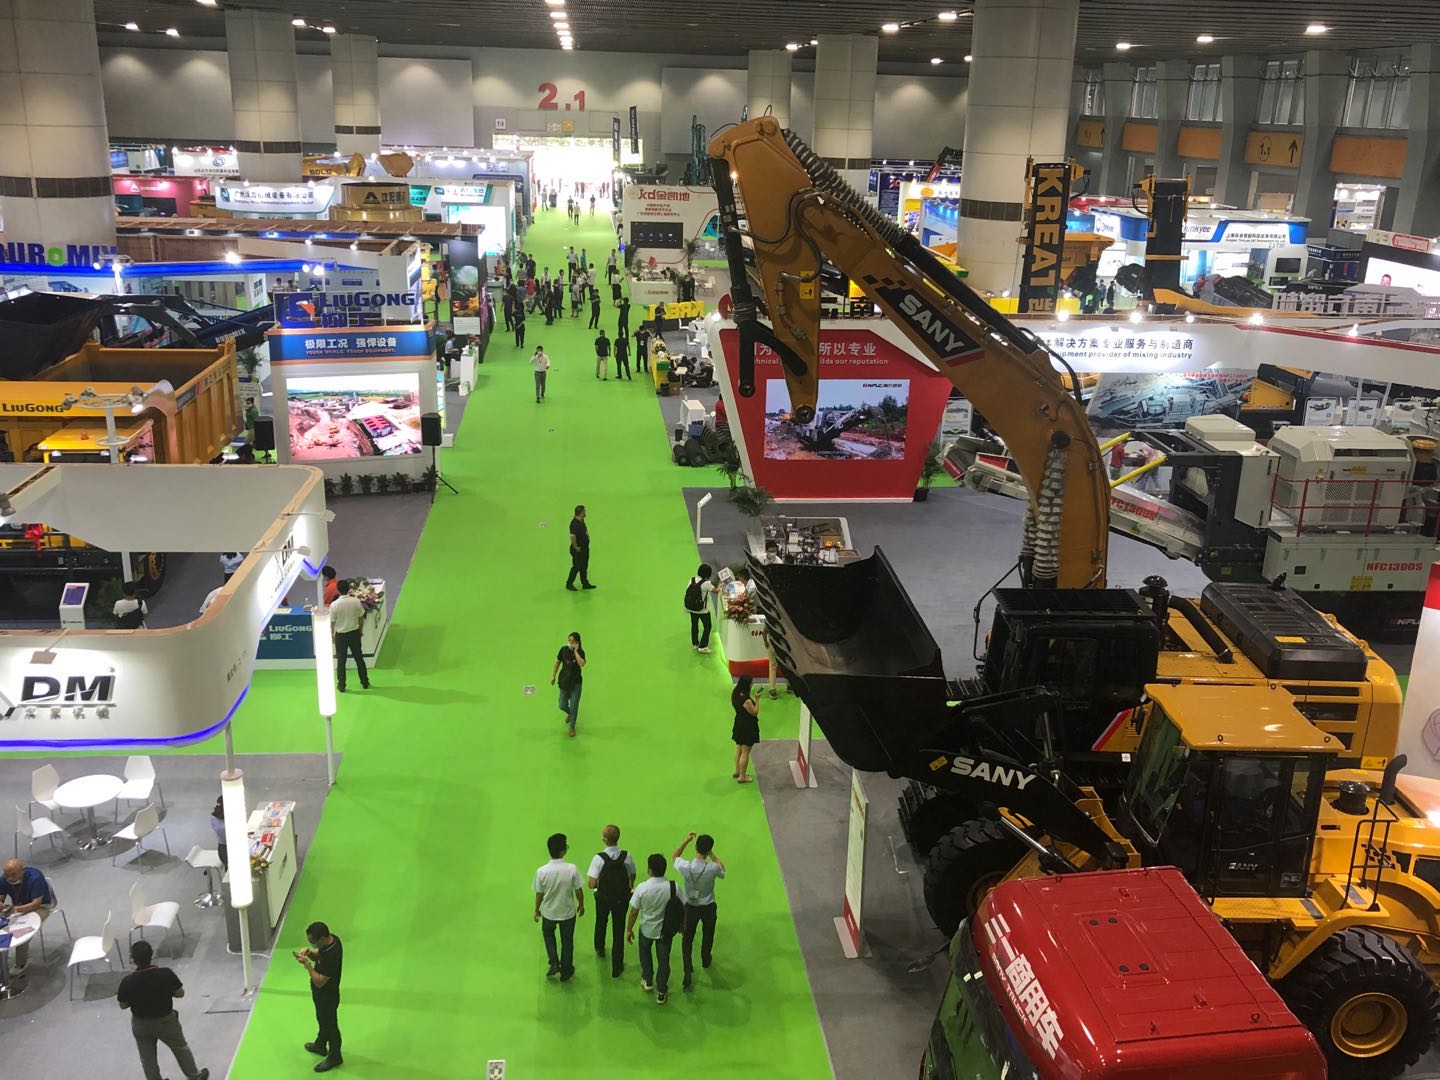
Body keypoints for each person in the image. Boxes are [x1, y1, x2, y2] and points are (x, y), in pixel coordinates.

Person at [117, 940, 210, 1080]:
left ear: (133, 959)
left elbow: (123, 1005)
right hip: (165, 1021)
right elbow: (180, 993)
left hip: (140, 1024)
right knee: (180, 1048)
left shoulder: (127, 981)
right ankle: (194, 1076)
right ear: (151, 955)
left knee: (147, 1057)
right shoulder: (165, 974)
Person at [626, 853, 683, 1004]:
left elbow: (634, 912)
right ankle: (662, 991)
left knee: (645, 954)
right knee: (664, 961)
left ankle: (647, 979)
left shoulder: (642, 888)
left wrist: (629, 929)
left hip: (646, 929)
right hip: (666, 932)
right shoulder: (674, 887)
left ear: (649, 870)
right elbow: (683, 907)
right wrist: (682, 926)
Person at [673, 832, 726, 990]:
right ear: (709, 850)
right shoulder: (713, 868)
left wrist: (686, 840)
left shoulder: (686, 866)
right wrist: (712, 854)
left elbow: (675, 856)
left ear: (696, 847)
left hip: (690, 906)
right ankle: (705, 959)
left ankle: (687, 970)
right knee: (708, 934)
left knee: (687, 939)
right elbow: (722, 869)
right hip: (708, 906)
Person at [587, 825, 636, 978]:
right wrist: (629, 885)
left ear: (604, 840)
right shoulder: (627, 856)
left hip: (603, 899)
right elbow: (632, 874)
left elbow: (591, 884)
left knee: (601, 921)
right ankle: (617, 966)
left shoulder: (598, 858)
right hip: (621, 899)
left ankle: (599, 947)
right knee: (619, 930)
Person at [533, 833, 584, 981]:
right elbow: (578, 890)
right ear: (563, 852)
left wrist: (536, 909)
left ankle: (554, 962)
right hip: (567, 913)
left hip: (549, 913)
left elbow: (539, 893)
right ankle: (566, 970)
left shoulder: (541, 871)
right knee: (567, 941)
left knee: (548, 935)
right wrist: (581, 904)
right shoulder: (572, 869)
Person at [296, 920, 344, 1072]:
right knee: (322, 1019)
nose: (313, 945)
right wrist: (310, 953)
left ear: (322, 938)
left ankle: (335, 1056)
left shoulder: (333, 955)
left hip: (328, 995)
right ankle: (320, 1044)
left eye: (313, 943)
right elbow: (319, 956)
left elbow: (319, 981)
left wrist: (307, 964)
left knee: (330, 1025)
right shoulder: (331, 940)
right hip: (321, 995)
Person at [0, 858, 54, 977]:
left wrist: (15, 910)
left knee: (20, 932)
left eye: (13, 874)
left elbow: (36, 904)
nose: (10, 878)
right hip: (18, 907)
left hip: (41, 907)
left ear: (22, 871)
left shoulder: (35, 878)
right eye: (7, 875)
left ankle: (21, 963)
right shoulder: (4, 879)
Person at [331, 579, 369, 692]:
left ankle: (342, 685)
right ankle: (365, 682)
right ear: (349, 588)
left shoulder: (334, 605)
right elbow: (361, 617)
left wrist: (332, 636)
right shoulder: (356, 601)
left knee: (341, 661)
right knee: (359, 659)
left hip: (341, 636)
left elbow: (332, 622)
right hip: (354, 633)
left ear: (338, 590)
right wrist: (360, 630)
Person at [551, 631, 586, 736]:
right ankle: (570, 714)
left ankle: (572, 727)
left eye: (573, 641)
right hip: (564, 682)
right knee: (562, 704)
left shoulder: (581, 652)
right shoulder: (563, 650)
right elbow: (557, 662)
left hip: (576, 684)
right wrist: (553, 675)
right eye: (569, 640)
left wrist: (576, 652)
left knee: (574, 706)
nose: (570, 643)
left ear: (578, 642)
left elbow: (582, 663)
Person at [731, 675, 760, 782]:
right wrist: (757, 700)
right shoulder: (746, 701)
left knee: (738, 748)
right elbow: (754, 712)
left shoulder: (735, 694)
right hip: (747, 726)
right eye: (751, 683)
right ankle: (742, 776)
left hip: (739, 723)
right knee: (745, 751)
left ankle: (737, 771)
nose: (752, 684)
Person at [684, 563, 716, 653]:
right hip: (702, 610)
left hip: (692, 608)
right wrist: (721, 585)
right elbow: (716, 591)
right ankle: (703, 646)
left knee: (694, 625)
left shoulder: (692, 579)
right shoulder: (707, 583)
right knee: (707, 626)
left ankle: (695, 643)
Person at [566, 504, 594, 590]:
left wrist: (587, 535)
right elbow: (572, 536)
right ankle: (569, 584)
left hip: (585, 549)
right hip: (578, 550)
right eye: (584, 511)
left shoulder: (581, 520)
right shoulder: (574, 524)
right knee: (576, 567)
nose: (585, 512)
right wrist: (576, 547)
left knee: (584, 566)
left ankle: (585, 583)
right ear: (581, 512)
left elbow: (585, 529)